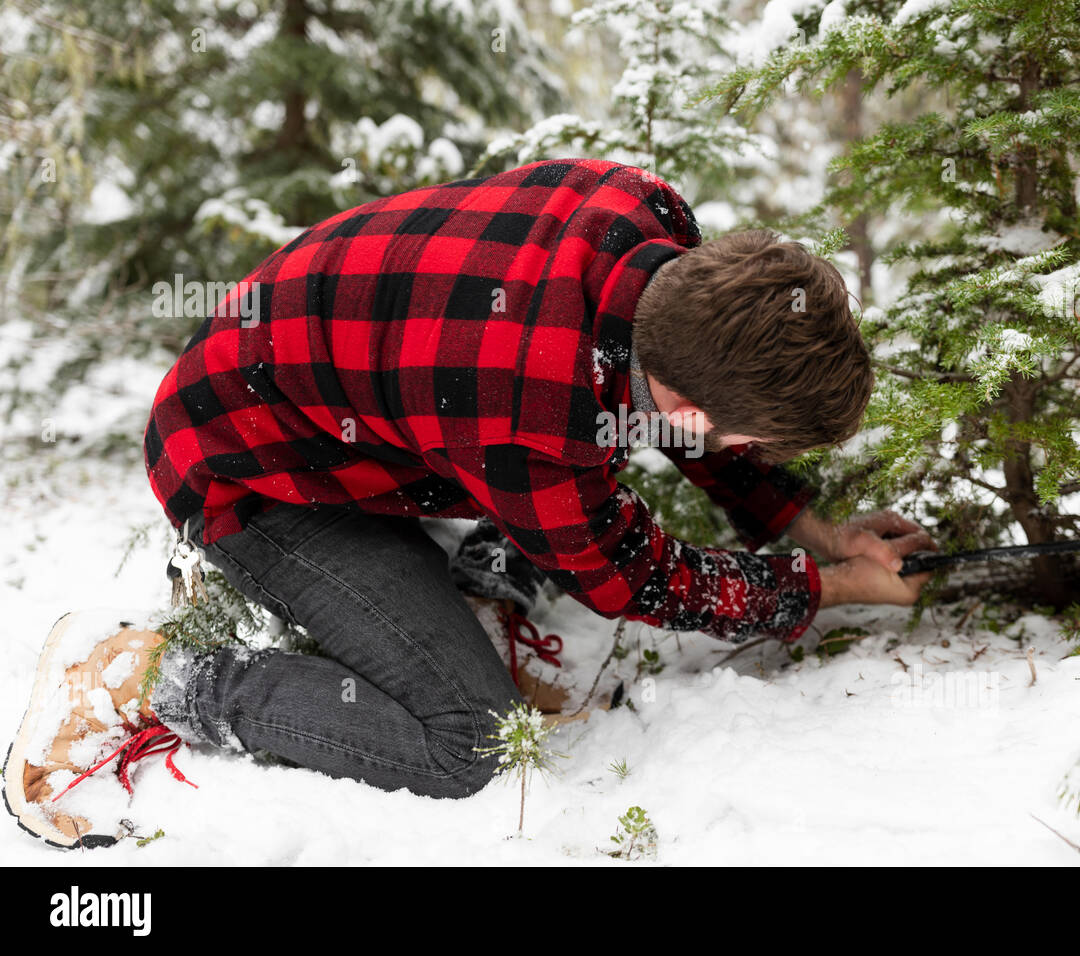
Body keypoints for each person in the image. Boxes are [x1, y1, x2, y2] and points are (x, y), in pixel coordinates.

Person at [5, 158, 933, 849]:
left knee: (555, 508)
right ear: (690, 410)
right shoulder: (533, 411)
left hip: (369, 414)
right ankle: (147, 679)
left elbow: (691, 408)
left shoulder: (645, 219)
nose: (745, 456)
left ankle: (474, 592)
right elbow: (631, 577)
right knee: (467, 745)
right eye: (747, 443)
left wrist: (817, 532)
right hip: (248, 472)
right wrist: (826, 589)